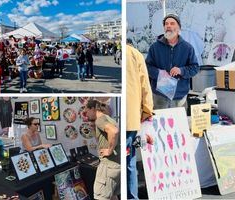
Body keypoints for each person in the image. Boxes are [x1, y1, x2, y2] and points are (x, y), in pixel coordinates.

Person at [145, 13, 199, 109]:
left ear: (178, 28)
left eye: (172, 23)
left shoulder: (187, 48)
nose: (168, 26)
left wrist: (181, 70)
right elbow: (147, 67)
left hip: (179, 97)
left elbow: (195, 68)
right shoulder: (155, 47)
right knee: (160, 123)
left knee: (179, 123)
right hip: (159, 96)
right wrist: (159, 73)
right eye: (166, 24)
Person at [125, 44, 155, 200]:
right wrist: (147, 111)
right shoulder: (134, 53)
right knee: (128, 161)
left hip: (119, 118)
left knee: (124, 161)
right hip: (130, 118)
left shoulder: (133, 53)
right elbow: (145, 86)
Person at [83, 99, 120, 200]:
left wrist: (109, 150)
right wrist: (94, 129)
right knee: (112, 195)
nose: (86, 115)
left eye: (86, 112)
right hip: (115, 165)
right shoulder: (107, 118)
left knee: (100, 197)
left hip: (108, 166)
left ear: (93, 109)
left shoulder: (100, 120)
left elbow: (114, 131)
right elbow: (102, 140)